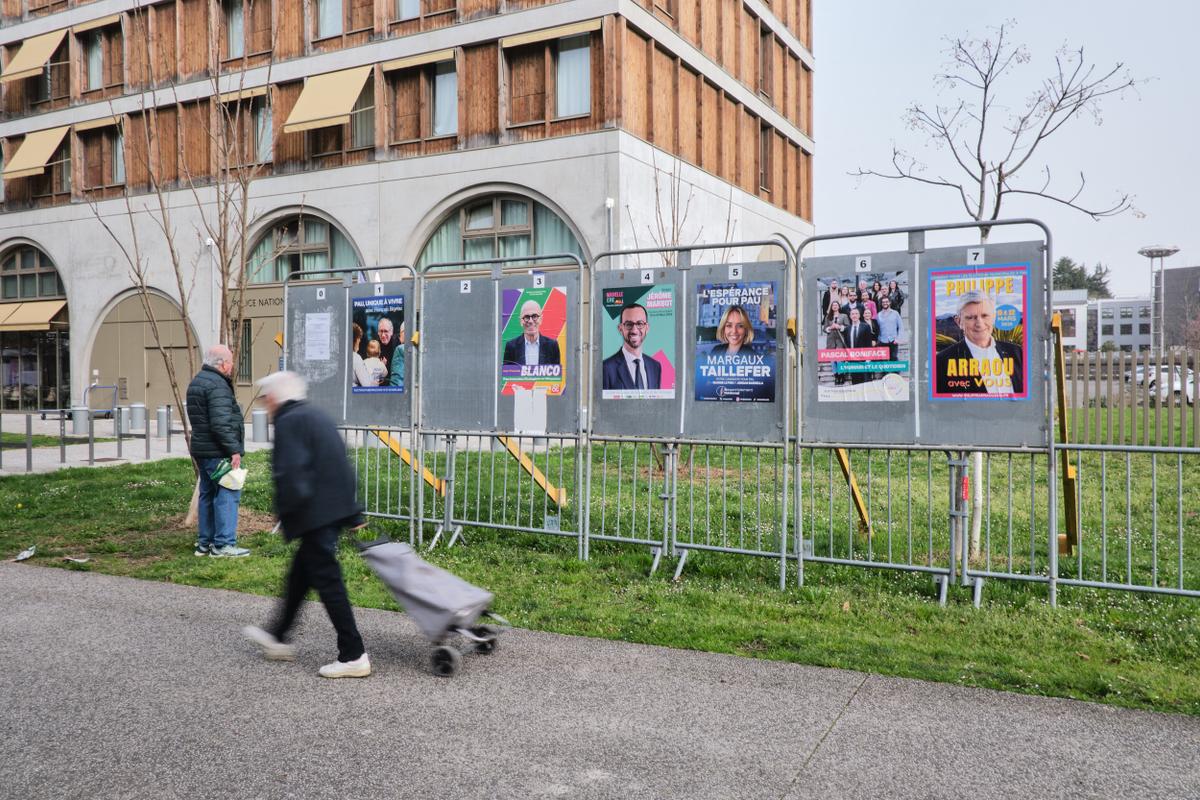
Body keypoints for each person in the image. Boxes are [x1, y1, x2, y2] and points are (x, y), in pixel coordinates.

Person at [242, 371, 372, 679]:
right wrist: (353, 514)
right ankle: (278, 636)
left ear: (275, 397)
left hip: (315, 514)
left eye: (265, 398)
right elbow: (342, 465)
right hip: (330, 511)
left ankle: (354, 654)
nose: (265, 404)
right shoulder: (317, 416)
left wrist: (286, 512)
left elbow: (290, 475)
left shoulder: (289, 422)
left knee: (329, 584)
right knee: (300, 576)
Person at [186, 345, 248, 558]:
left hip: (202, 451)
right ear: (222, 363)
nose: (232, 367)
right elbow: (220, 424)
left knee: (207, 494)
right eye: (230, 362)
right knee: (228, 494)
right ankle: (224, 545)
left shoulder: (197, 381)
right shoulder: (218, 385)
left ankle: (205, 543)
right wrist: (234, 450)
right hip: (218, 451)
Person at [935, 290, 1024, 395]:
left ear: (994, 317)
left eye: (985, 315)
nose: (979, 323)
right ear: (959, 322)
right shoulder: (941, 363)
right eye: (970, 317)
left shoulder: (1017, 353)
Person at [602, 303, 662, 390]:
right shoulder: (606, 368)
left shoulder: (655, 366)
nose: (634, 330)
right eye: (629, 324)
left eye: (640, 323)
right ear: (620, 328)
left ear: (647, 328)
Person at [502, 299, 562, 366]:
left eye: (534, 316)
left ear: (541, 319)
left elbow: (556, 376)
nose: (530, 321)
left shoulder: (552, 346)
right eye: (526, 317)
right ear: (521, 321)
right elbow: (508, 375)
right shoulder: (511, 347)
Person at [845, 306, 874, 385]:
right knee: (855, 382)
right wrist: (847, 359)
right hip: (852, 360)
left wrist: (869, 358)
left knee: (865, 381)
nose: (854, 315)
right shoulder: (847, 328)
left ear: (859, 315)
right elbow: (847, 345)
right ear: (850, 316)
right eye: (852, 314)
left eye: (856, 314)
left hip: (864, 359)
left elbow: (869, 343)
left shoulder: (865, 326)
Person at [823, 300, 849, 385]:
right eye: (833, 305)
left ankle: (841, 375)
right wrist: (830, 327)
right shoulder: (828, 316)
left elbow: (848, 326)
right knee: (833, 360)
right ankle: (836, 376)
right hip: (831, 341)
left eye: (836, 305)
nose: (834, 306)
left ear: (839, 306)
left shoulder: (844, 316)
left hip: (840, 340)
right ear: (831, 307)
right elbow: (824, 328)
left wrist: (839, 326)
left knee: (839, 359)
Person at [875, 294, 902, 362]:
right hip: (882, 341)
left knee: (893, 358)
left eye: (886, 302)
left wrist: (898, 339)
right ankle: (885, 373)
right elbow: (877, 328)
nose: (885, 303)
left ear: (890, 302)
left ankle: (895, 372)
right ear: (881, 304)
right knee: (883, 360)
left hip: (893, 340)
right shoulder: (879, 315)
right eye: (883, 302)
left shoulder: (895, 313)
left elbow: (901, 327)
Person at [351, 323, 371, 387]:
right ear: (356, 340)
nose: (359, 341)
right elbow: (367, 385)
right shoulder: (356, 357)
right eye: (359, 338)